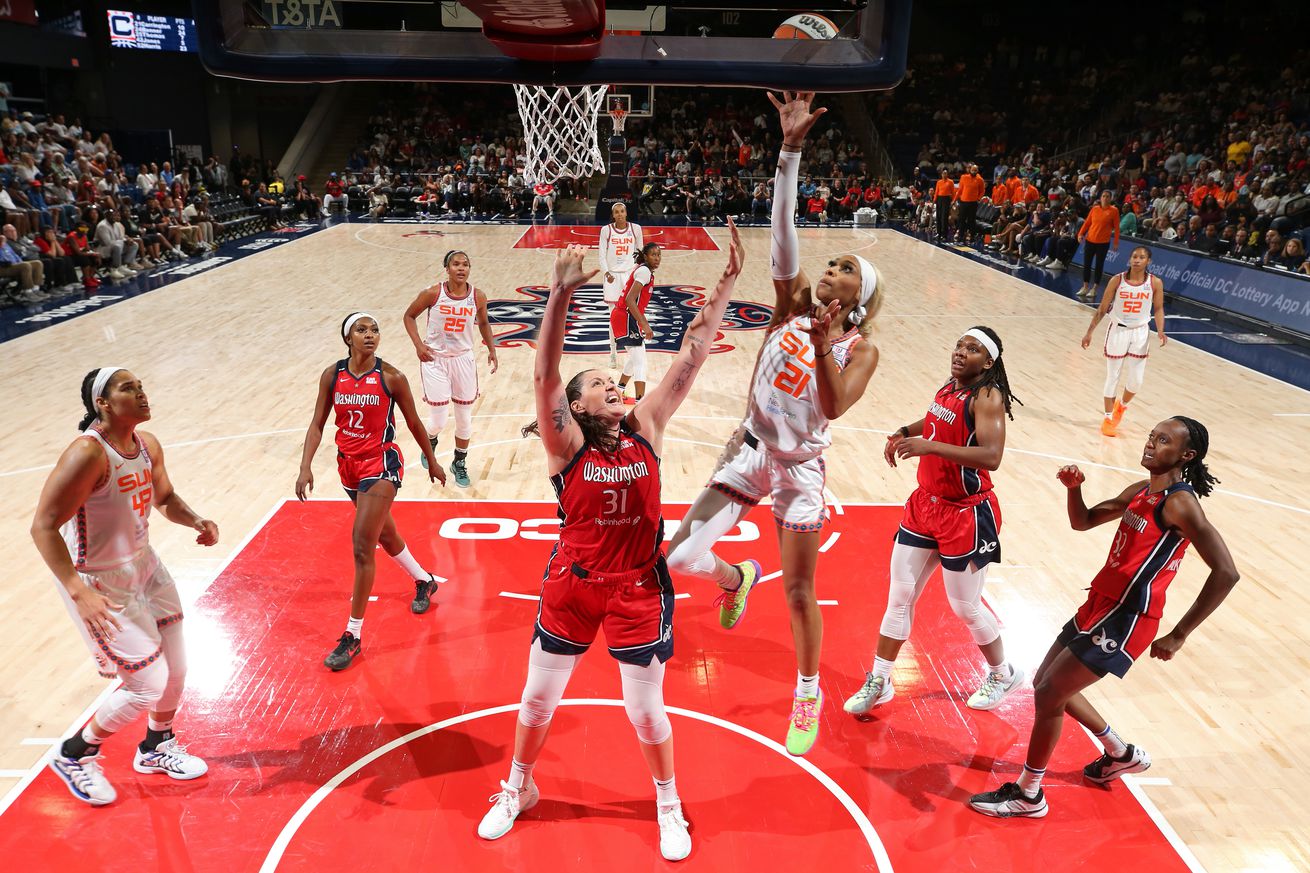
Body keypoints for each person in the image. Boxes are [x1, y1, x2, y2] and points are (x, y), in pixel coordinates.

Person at [478, 227, 744, 861]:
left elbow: (692, 354)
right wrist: (560, 298)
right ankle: (518, 787)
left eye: (617, 382)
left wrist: (727, 285)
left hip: (637, 589)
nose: (616, 387)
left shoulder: (647, 426)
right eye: (600, 383)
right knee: (537, 699)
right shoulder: (563, 444)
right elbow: (544, 373)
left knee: (646, 714)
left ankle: (667, 802)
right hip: (573, 585)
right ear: (576, 405)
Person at [665, 92, 882, 757]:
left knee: (799, 591)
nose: (832, 265)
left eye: (846, 267)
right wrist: (788, 152)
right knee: (676, 556)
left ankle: (808, 689)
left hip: (801, 470)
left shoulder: (858, 347)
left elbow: (837, 402)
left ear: (858, 297)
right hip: (752, 449)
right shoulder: (791, 303)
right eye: (834, 261)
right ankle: (735, 579)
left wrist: (819, 340)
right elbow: (782, 227)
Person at [969, 418, 1238, 819]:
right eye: (1151, 435)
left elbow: (1226, 572)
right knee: (1045, 682)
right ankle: (1119, 752)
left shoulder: (1180, 503)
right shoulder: (1141, 491)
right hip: (1100, 603)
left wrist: (1179, 634)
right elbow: (1084, 521)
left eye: (1163, 440)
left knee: (1048, 694)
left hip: (1127, 618)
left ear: (1187, 455)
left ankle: (1029, 794)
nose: (1150, 444)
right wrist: (1074, 490)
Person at [32, 368, 219, 805]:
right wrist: (78, 590)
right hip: (98, 579)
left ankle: (156, 747)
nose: (141, 391)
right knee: (147, 684)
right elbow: (43, 527)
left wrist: (195, 520)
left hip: (145, 566)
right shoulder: (87, 454)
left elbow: (165, 497)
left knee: (178, 666)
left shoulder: (147, 445)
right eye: (127, 387)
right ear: (103, 403)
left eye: (140, 384)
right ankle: (75, 755)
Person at [843, 327, 1025, 718]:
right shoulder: (950, 386)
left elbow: (991, 455)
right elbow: (936, 422)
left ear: (988, 363)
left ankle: (1002, 672)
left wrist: (926, 446)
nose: (961, 352)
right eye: (960, 344)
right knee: (900, 595)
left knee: (965, 607)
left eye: (973, 349)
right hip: (925, 505)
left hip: (966, 514)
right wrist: (906, 432)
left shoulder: (987, 396)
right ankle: (881, 678)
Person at [296, 313, 446, 672]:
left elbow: (412, 421)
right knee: (386, 534)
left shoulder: (391, 376)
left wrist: (432, 460)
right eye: (362, 330)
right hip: (347, 464)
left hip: (381, 465)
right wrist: (305, 465)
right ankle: (424, 581)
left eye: (375, 330)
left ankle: (353, 636)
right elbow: (318, 422)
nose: (370, 335)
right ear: (348, 337)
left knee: (363, 546)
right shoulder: (333, 376)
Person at [402, 250, 498, 488]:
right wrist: (418, 345)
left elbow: (484, 322)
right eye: (456, 264)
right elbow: (409, 316)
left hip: (463, 360)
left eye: (465, 264)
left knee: (465, 420)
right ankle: (430, 441)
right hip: (434, 359)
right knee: (439, 420)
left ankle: (459, 463)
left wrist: (492, 349)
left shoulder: (478, 296)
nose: (461, 268)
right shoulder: (432, 293)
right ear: (447, 268)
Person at [1081, 245, 1167, 438]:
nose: (1137, 260)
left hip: (1141, 332)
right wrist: (1089, 333)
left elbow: (1159, 308)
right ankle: (1108, 417)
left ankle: (1122, 407)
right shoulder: (1117, 280)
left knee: (1136, 381)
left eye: (1141, 257)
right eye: (1134, 256)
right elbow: (1102, 309)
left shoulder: (1155, 282)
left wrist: (1161, 330)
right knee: (1113, 376)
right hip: (1118, 330)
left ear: (1148, 261)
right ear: (1129, 259)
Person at [613, 242, 661, 405]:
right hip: (625, 316)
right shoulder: (644, 271)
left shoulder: (642, 270)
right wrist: (645, 324)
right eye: (653, 254)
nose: (657, 258)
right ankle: (640, 403)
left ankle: (619, 390)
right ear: (646, 256)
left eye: (659, 254)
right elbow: (629, 299)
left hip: (626, 317)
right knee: (641, 361)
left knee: (635, 358)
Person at [599, 202, 644, 368]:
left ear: (626, 213)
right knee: (613, 318)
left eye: (622, 211)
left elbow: (641, 255)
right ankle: (613, 352)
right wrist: (606, 273)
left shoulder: (636, 229)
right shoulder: (606, 230)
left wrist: (639, 275)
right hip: (612, 277)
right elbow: (601, 256)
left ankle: (632, 351)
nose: (619, 214)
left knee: (632, 316)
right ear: (613, 215)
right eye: (616, 212)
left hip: (629, 276)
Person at [1075, 190, 1120, 299]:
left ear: (1111, 198)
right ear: (1100, 198)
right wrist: (1080, 234)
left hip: (1103, 243)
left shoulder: (1114, 211)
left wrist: (1115, 242)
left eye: (1108, 196)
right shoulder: (1094, 209)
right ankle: (1085, 287)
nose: (1105, 198)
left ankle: (1094, 288)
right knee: (1087, 264)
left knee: (1099, 266)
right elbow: (1087, 223)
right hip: (1090, 240)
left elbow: (1117, 228)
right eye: (1103, 196)